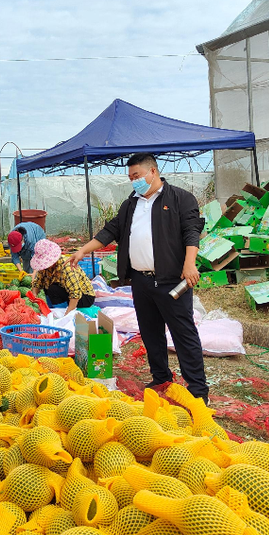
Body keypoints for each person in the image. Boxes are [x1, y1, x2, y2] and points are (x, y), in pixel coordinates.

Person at [71, 153, 208, 403]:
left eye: (137, 176)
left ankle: (198, 390)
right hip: (141, 281)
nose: (134, 181)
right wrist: (83, 250)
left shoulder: (179, 198)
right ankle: (161, 377)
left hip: (171, 279)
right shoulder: (131, 204)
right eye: (131, 177)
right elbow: (110, 230)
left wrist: (189, 264)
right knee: (150, 332)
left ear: (153, 171)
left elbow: (191, 231)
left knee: (183, 333)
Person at [30, 239, 95, 313]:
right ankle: (54, 311)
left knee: (53, 289)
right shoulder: (44, 269)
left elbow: (75, 294)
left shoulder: (67, 266)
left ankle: (61, 311)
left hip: (85, 296)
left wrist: (67, 315)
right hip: (66, 292)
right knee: (48, 287)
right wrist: (34, 295)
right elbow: (38, 283)